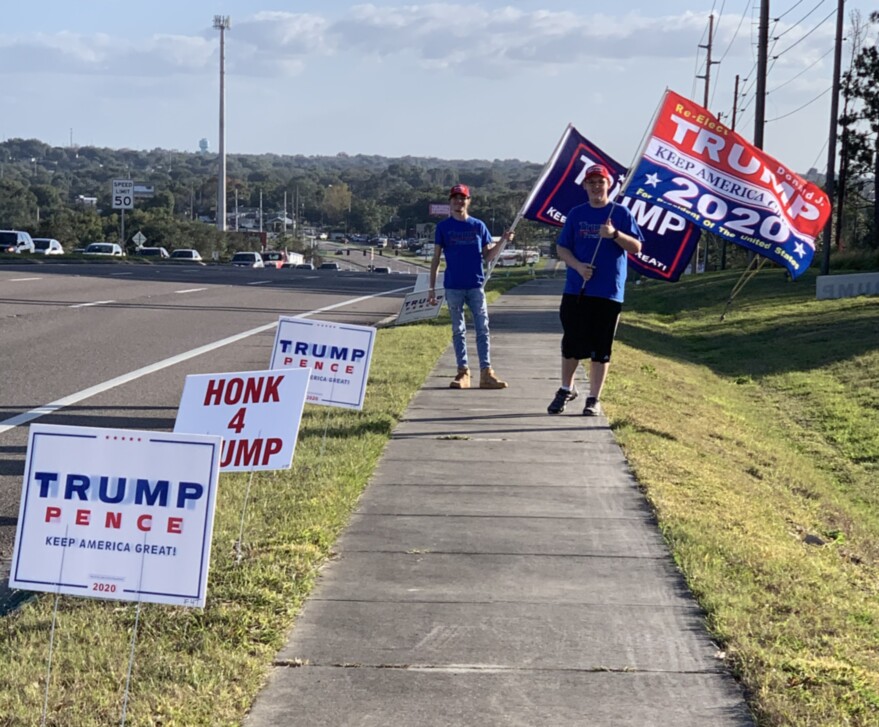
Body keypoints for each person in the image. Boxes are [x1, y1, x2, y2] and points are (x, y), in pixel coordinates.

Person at [547, 164, 643, 416]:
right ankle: (566, 388)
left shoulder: (620, 213)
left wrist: (614, 234)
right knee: (571, 344)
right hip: (577, 290)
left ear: (608, 185)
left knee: (601, 349)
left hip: (608, 292)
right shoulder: (577, 214)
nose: (596, 187)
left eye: (600, 182)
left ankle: (593, 398)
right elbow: (562, 248)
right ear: (585, 186)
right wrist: (578, 266)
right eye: (591, 182)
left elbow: (636, 247)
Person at [428, 183, 511, 390]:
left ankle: (486, 372)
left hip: (475, 285)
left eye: (462, 198)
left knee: (482, 329)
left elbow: (488, 256)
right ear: (450, 201)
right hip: (453, 287)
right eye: (455, 198)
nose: (459, 201)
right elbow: (436, 259)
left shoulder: (478, 226)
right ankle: (463, 371)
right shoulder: (443, 228)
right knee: (458, 330)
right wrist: (431, 288)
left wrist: (502, 242)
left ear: (468, 201)